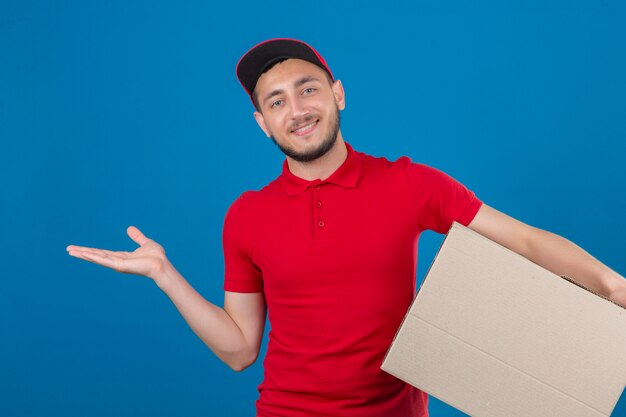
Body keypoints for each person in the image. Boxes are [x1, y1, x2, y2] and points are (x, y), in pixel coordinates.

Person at [67, 38, 626, 417]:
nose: (297, 109)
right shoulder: (247, 216)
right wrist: (167, 276)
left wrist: (612, 286)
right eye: (277, 101)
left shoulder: (410, 184)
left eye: (308, 88)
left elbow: (525, 241)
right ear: (262, 124)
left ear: (337, 94)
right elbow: (240, 349)